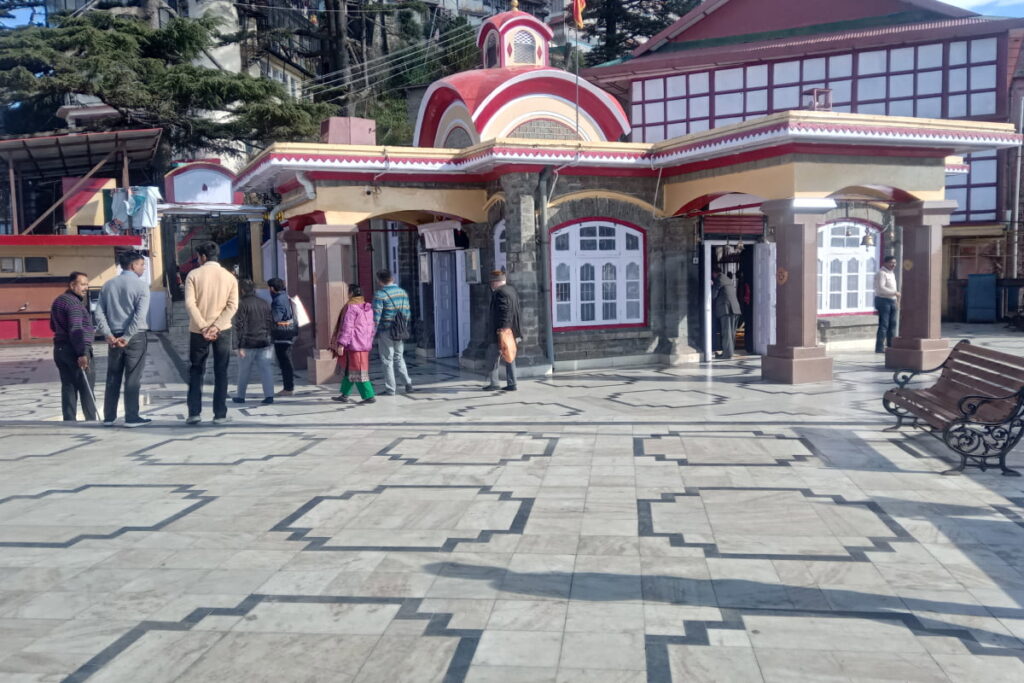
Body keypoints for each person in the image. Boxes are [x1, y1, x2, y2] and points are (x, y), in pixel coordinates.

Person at [94, 250, 151, 427]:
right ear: (133, 265)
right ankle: (131, 416)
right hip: (135, 337)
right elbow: (139, 316)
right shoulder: (141, 287)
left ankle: (109, 416)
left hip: (114, 336)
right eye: (142, 264)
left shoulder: (108, 285)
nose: (143, 268)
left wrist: (109, 334)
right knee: (133, 377)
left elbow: (99, 312)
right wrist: (127, 337)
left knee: (113, 376)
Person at [184, 241, 238, 425]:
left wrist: (203, 326)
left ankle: (194, 413)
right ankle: (220, 414)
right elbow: (233, 306)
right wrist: (216, 326)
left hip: (198, 330)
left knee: (196, 370)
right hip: (222, 330)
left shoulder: (193, 275)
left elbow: (190, 303)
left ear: (203, 257)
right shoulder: (230, 277)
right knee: (221, 371)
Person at [50, 271, 98, 421]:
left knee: (68, 386)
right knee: (86, 387)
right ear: (72, 285)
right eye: (82, 284)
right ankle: (91, 421)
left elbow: (52, 325)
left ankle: (69, 420)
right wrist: (82, 353)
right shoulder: (74, 304)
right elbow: (76, 329)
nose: (86, 287)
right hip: (74, 349)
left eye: (87, 284)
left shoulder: (58, 301)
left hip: (60, 349)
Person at [330, 284, 376, 404]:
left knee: (359, 371)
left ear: (351, 293)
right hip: (364, 344)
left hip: (355, 345)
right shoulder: (367, 308)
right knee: (350, 370)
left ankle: (369, 396)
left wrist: (341, 344)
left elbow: (347, 327)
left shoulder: (351, 308)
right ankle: (344, 395)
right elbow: (371, 328)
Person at [232, 279, 275, 405]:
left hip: (247, 343)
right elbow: (269, 322)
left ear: (242, 290)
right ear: (254, 290)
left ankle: (241, 396)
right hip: (264, 342)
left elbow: (238, 326)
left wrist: (238, 345)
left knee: (244, 371)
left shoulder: (242, 304)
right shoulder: (264, 303)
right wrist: (268, 337)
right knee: (266, 370)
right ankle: (269, 396)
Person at [372, 269, 413, 396]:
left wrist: (373, 331)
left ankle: (391, 388)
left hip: (386, 330)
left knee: (387, 359)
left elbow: (376, 315)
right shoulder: (402, 293)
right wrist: (403, 326)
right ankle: (407, 383)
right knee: (399, 357)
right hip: (400, 329)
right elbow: (407, 312)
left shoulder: (380, 294)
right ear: (392, 278)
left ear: (379, 281)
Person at [483, 270, 521, 391]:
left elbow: (505, 311)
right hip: (511, 330)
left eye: (492, 282)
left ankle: (494, 383)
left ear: (496, 282)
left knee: (492, 356)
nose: (491, 285)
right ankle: (512, 382)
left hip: (501, 331)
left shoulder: (499, 293)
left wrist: (502, 330)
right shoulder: (511, 290)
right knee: (510, 355)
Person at [268, 277, 296, 397]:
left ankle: (288, 388)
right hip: (288, 333)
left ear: (272, 288)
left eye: (269, 287)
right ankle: (288, 387)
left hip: (282, 335)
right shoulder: (285, 296)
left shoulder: (278, 300)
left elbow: (276, 318)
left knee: (285, 361)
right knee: (286, 361)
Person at [875, 255, 900, 354]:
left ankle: (891, 345)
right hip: (883, 300)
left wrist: (897, 299)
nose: (893, 265)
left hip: (892, 300)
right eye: (891, 262)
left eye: (894, 263)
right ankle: (879, 347)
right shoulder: (881, 273)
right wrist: (894, 293)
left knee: (893, 324)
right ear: (885, 263)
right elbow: (881, 288)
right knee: (884, 324)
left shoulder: (891, 274)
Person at [714, 271, 742, 360]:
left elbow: (713, 294)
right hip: (735, 308)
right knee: (732, 333)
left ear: (714, 273)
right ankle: (730, 352)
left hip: (726, 309)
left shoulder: (719, 279)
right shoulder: (728, 280)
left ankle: (726, 354)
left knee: (726, 332)